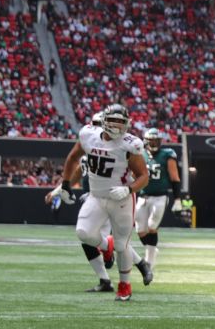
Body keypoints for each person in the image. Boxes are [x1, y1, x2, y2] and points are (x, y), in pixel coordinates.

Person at [54, 104, 149, 301]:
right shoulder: (89, 136)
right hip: (96, 196)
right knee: (83, 232)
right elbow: (73, 158)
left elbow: (143, 176)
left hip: (121, 198)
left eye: (121, 122)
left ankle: (125, 285)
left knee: (122, 246)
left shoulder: (129, 144)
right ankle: (107, 245)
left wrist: (128, 189)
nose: (117, 126)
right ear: (104, 121)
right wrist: (65, 184)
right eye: (113, 121)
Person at [134, 128, 181, 276]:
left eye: (156, 140)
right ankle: (153, 249)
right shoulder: (140, 154)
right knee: (140, 230)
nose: (154, 143)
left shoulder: (167, 155)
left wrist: (177, 198)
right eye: (151, 140)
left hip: (160, 196)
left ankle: (149, 262)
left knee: (152, 226)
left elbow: (174, 177)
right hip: (143, 196)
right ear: (146, 141)